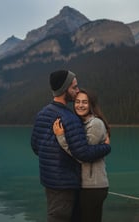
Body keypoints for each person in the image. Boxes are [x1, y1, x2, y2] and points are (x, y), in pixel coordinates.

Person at [31, 70, 111, 222]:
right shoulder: (70, 118)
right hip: (65, 183)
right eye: (74, 87)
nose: (77, 90)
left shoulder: (42, 113)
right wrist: (106, 147)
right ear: (64, 89)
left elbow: (35, 147)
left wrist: (52, 156)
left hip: (48, 180)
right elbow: (84, 154)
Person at [53, 88, 111, 222]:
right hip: (85, 185)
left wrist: (61, 137)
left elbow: (82, 155)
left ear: (91, 105)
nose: (80, 105)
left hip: (93, 186)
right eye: (77, 102)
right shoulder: (81, 123)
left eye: (85, 102)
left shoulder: (95, 123)